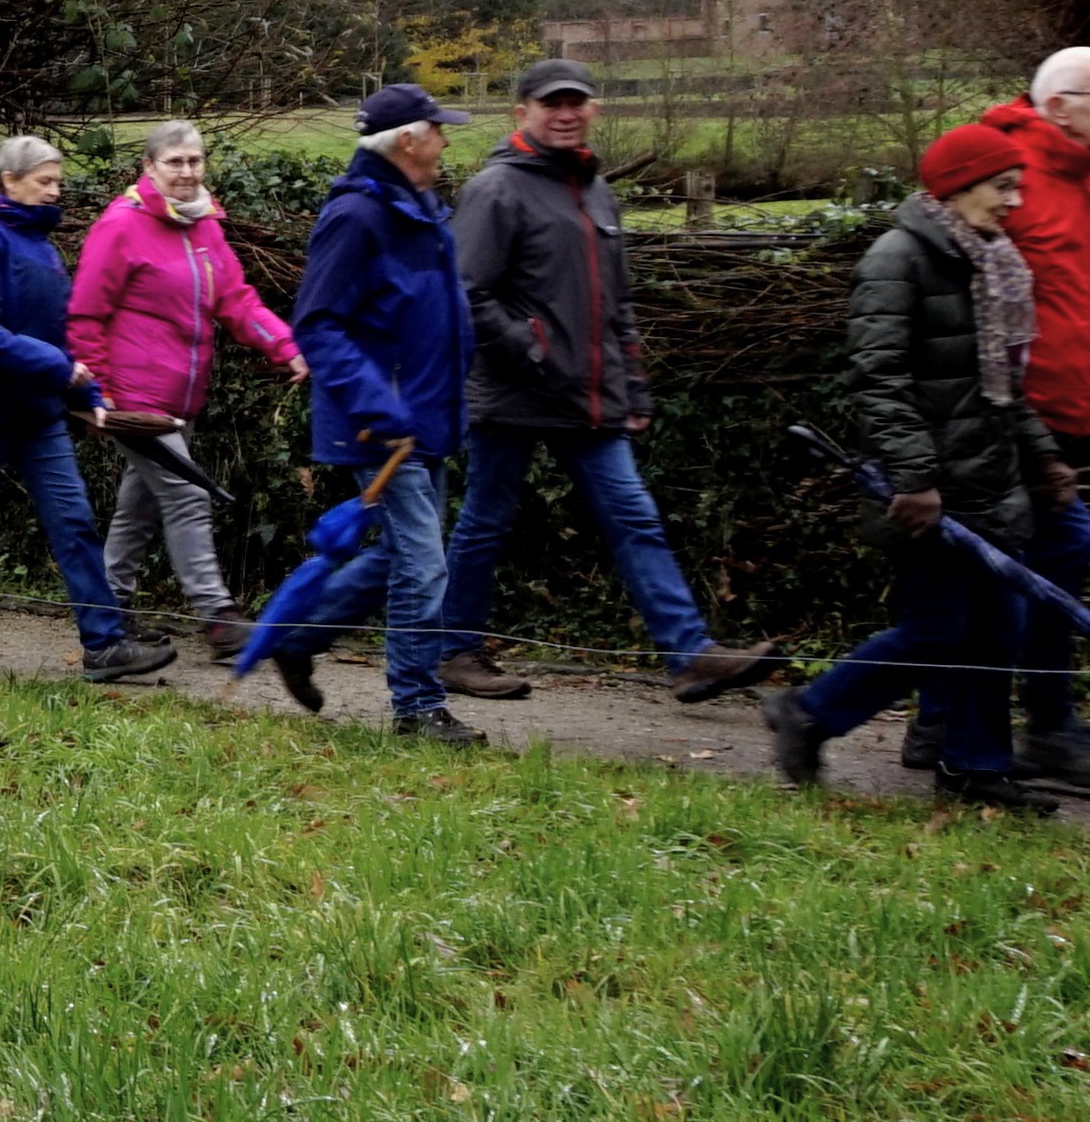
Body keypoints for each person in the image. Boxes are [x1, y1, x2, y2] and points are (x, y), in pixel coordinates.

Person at [439, 61, 773, 704]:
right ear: (522, 113)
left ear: (594, 110)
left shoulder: (595, 191)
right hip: (513, 392)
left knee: (634, 518)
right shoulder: (496, 188)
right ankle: (454, 650)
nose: (566, 114)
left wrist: (633, 386)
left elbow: (615, 305)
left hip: (586, 397)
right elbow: (465, 291)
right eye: (552, 104)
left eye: (577, 103)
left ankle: (691, 657)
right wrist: (528, 346)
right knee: (485, 523)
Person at [762, 123, 1065, 815]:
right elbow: (879, 380)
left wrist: (1042, 454)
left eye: (1016, 186)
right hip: (931, 491)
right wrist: (915, 478)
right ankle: (808, 711)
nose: (1014, 200)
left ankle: (975, 767)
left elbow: (1001, 386)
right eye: (1002, 186)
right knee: (937, 629)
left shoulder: (990, 263)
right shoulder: (896, 260)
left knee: (996, 629)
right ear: (957, 188)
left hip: (990, 484)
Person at [920, 48, 1090, 789]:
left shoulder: (1079, 177)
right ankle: (1040, 726)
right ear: (1057, 106)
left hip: (1053, 418)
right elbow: (956, 297)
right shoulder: (1008, 175)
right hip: (1009, 420)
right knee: (1041, 558)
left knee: (998, 572)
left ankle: (941, 721)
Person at [255, 84, 485, 745]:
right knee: (423, 562)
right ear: (407, 141)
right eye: (437, 131)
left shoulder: (419, 209)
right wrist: (379, 403)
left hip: (423, 414)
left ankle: (299, 637)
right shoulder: (356, 216)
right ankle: (417, 706)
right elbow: (318, 323)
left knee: (401, 555)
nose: (445, 141)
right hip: (378, 422)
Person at [0, 138, 162, 680]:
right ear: (10, 180)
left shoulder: (43, 247)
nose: (55, 190)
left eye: (57, 181)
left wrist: (88, 398)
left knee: (74, 521)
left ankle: (104, 645)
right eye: (45, 181)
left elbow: (60, 334)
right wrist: (60, 368)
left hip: (38, 412)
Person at [67, 120, 304, 659]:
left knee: (140, 506)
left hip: (181, 399)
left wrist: (283, 344)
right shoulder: (120, 225)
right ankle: (217, 616)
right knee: (187, 494)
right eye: (174, 161)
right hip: (134, 400)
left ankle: (109, 609)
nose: (187, 171)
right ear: (149, 167)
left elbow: (236, 299)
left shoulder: (204, 226)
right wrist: (97, 394)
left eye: (194, 160)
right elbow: (85, 314)